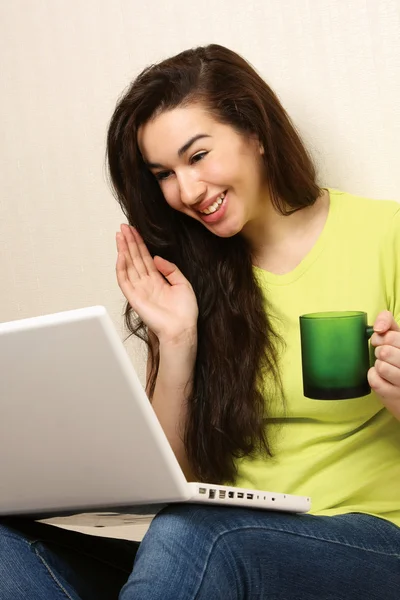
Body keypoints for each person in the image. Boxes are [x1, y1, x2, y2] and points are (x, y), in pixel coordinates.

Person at [0, 43, 399, 600]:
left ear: (255, 132)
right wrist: (177, 337)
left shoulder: (388, 235)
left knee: (198, 536)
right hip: (212, 539)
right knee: (9, 540)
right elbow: (173, 480)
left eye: (198, 156)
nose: (186, 192)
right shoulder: (195, 278)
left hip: (370, 541)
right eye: (163, 173)